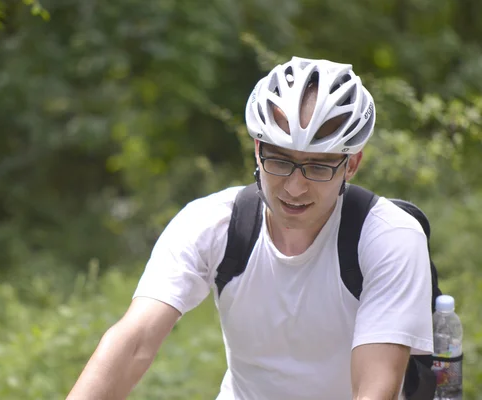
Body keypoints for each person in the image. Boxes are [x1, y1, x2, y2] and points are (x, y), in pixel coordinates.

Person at [66, 56, 434, 400]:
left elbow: (375, 386)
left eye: (319, 167)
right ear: (257, 150)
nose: (294, 187)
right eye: (279, 160)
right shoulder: (212, 224)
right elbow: (135, 341)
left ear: (351, 165)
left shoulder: (390, 238)